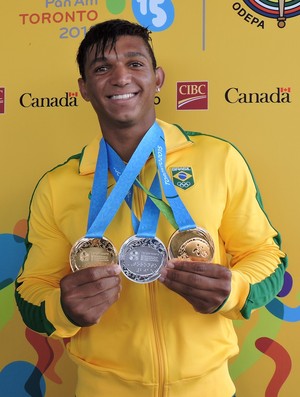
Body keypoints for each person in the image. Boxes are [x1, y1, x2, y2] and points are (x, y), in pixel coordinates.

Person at [15, 19, 287, 397]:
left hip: (207, 388)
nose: (120, 77)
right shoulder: (59, 185)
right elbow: (31, 289)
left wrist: (235, 290)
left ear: (157, 78)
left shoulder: (218, 158)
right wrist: (63, 308)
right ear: (84, 89)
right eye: (101, 67)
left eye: (135, 63)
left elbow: (266, 255)